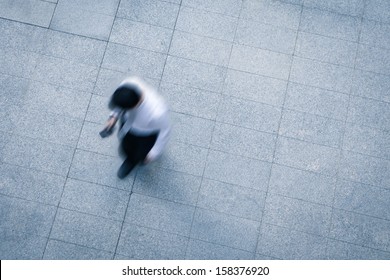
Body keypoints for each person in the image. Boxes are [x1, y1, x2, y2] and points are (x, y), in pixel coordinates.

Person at [101, 76, 170, 179]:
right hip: (127, 126)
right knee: (126, 147)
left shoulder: (157, 112)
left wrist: (153, 153)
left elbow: (164, 132)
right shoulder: (128, 84)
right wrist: (113, 116)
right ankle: (130, 158)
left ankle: (134, 161)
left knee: (140, 154)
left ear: (135, 105)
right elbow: (119, 105)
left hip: (145, 136)